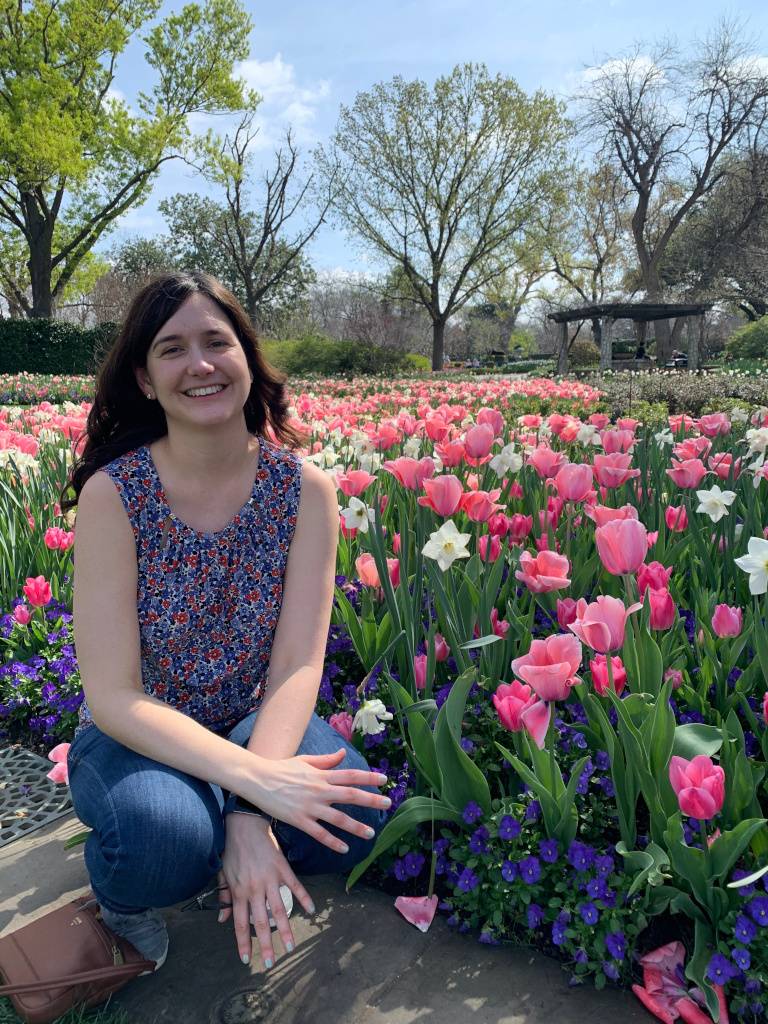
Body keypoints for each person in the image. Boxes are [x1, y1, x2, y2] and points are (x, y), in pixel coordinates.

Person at [60, 272, 390, 976]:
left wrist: (247, 811)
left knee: (355, 822)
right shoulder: (114, 494)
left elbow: (300, 663)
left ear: (247, 356)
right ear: (146, 380)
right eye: (172, 349)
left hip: (254, 715)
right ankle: (129, 890)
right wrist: (260, 787)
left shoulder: (305, 490)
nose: (200, 364)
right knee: (160, 839)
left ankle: (223, 829)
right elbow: (114, 697)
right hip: (138, 733)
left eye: (217, 341)